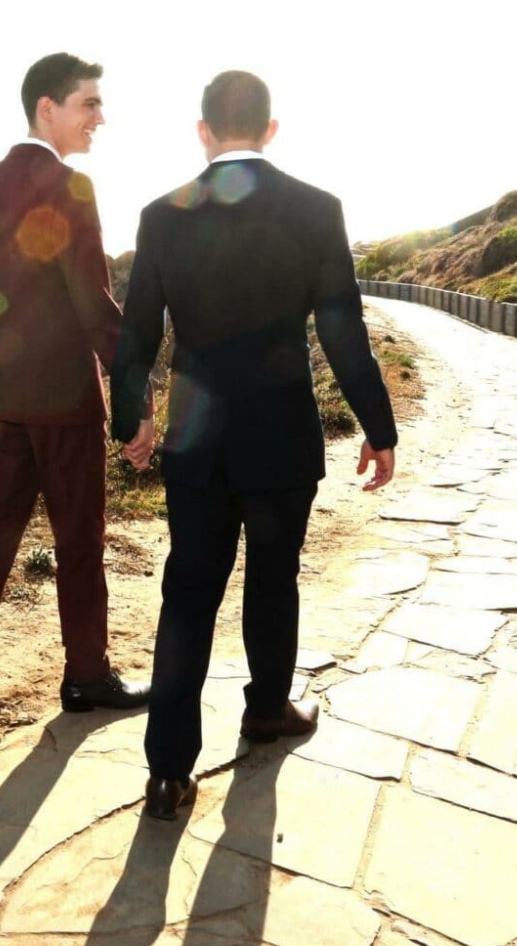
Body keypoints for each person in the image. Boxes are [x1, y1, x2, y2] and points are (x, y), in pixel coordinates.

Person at [109, 69, 397, 819]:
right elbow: (342, 329)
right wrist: (377, 424)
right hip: (280, 434)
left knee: (188, 594)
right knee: (275, 578)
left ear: (202, 132)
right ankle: (267, 709)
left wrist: (130, 417)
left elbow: (138, 331)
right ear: (272, 130)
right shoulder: (316, 209)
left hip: (196, 440)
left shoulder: (160, 215)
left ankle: (169, 772)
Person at [0, 53, 153, 745]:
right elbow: (93, 302)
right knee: (79, 540)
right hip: (61, 396)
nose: (99, 117)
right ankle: (86, 676)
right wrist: (134, 391)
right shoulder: (70, 185)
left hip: (1, 393)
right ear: (46, 108)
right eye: (88, 103)